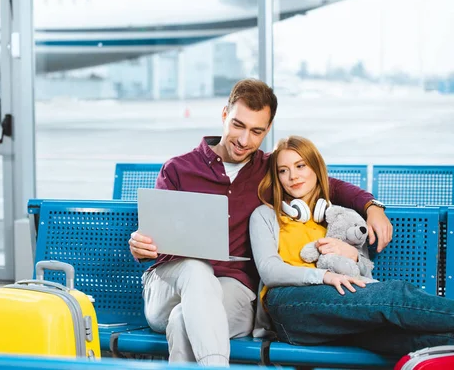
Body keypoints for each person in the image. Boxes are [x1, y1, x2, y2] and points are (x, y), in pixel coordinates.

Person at [128, 79, 393, 366]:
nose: (244, 140)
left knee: (184, 321)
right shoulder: (178, 169)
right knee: (195, 269)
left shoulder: (271, 172)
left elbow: (330, 185)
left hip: (232, 290)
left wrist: (372, 206)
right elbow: (156, 238)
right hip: (171, 286)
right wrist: (143, 246)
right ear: (224, 114)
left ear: (268, 130)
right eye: (238, 125)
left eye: (256, 131)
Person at [250, 135, 454, 357]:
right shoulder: (265, 215)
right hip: (288, 304)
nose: (293, 176)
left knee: (417, 339)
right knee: (394, 295)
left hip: (338, 308)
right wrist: (324, 276)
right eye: (283, 170)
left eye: (300, 166)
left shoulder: (340, 216)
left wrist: (353, 256)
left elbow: (364, 272)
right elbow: (269, 271)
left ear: (316, 168)